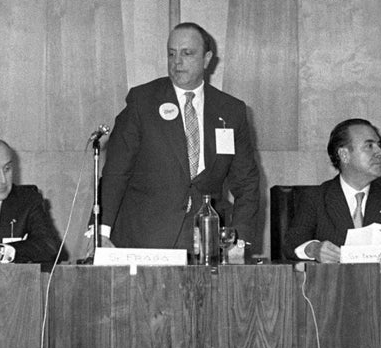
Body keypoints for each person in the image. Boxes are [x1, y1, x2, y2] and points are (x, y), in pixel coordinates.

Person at [95, 22, 260, 250]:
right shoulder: (142, 101)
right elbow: (115, 172)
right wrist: (101, 232)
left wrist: (238, 240)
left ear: (207, 58)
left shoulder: (231, 111)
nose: (177, 62)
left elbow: (246, 183)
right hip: (144, 240)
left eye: (187, 53)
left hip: (205, 243)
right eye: (171, 54)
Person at [283, 118, 381, 261]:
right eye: (369, 146)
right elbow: (292, 244)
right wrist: (314, 249)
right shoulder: (315, 198)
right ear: (344, 154)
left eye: (379, 145)